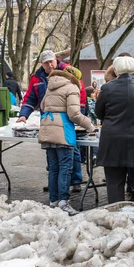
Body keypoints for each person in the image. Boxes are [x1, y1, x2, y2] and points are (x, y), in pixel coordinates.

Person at [18, 50, 85, 192]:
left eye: (52, 61)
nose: (50, 65)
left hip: (68, 120)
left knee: (72, 151)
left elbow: (80, 93)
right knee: (52, 153)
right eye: (46, 63)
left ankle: (75, 180)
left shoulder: (68, 71)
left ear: (56, 60)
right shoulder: (36, 78)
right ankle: (55, 184)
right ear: (41, 63)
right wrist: (24, 114)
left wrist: (81, 114)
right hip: (48, 120)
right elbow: (30, 98)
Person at [95, 56, 134, 203]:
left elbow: (99, 113)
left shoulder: (107, 88)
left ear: (116, 70)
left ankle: (117, 219)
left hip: (112, 140)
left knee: (115, 183)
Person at [39, 66, 94, 215]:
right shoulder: (71, 87)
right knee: (65, 167)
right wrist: (89, 125)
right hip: (63, 130)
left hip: (48, 128)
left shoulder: (51, 86)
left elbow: (43, 106)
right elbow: (74, 113)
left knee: (53, 167)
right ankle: (64, 202)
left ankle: (53, 201)